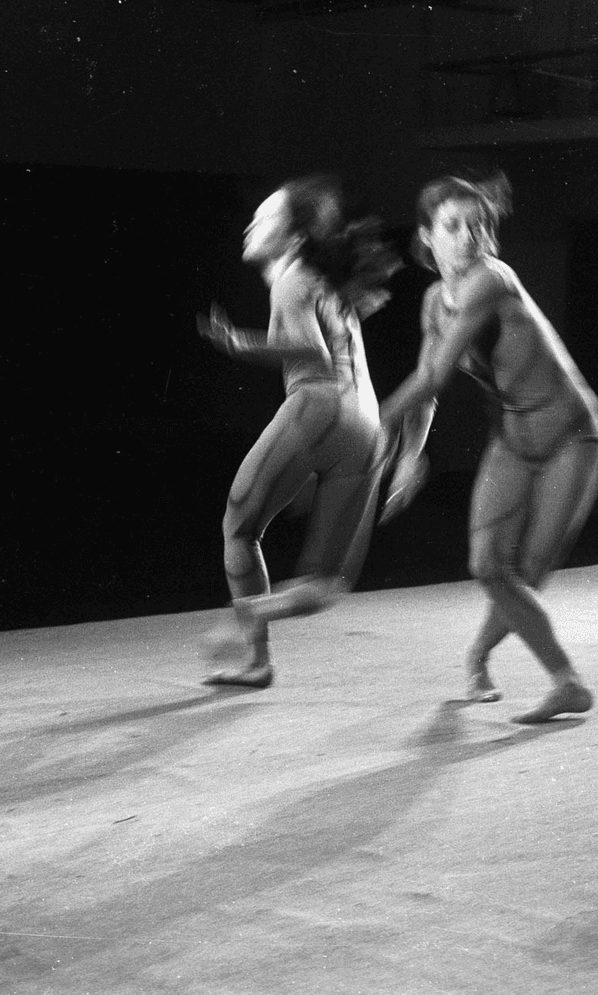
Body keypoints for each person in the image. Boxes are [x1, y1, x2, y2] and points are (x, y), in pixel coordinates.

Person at [378, 173, 598, 723]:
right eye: (453, 226)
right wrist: (409, 456)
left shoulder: (492, 278)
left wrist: (377, 420)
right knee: (487, 565)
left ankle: (562, 681)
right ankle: (487, 661)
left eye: (478, 224)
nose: (469, 236)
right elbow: (429, 390)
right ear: (427, 236)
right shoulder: (434, 302)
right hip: (513, 438)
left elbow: (433, 378)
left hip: (573, 437)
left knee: (528, 570)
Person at [197, 175, 400, 688]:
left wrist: (239, 343)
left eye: (265, 217)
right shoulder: (322, 281)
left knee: (239, 528)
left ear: (293, 237)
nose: (252, 225)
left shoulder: (291, 279)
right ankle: (255, 627)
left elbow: (314, 353)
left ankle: (253, 651)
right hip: (367, 424)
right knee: (328, 581)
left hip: (321, 406)